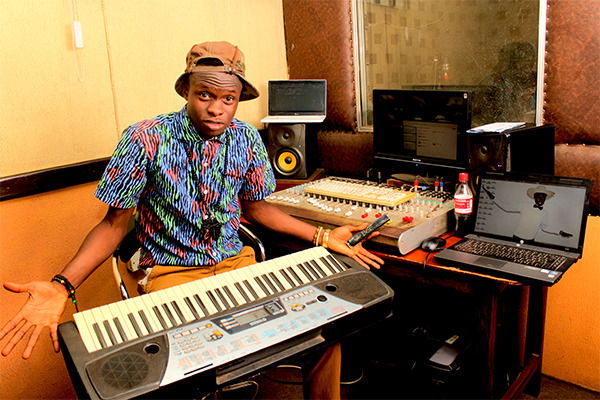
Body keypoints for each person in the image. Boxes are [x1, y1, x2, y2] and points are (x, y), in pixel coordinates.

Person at [0, 41, 384, 399]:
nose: (217, 108)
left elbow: (258, 209)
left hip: (236, 265)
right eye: (205, 95)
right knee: (188, 366)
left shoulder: (247, 139)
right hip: (172, 273)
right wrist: (61, 285)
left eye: (228, 99)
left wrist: (323, 236)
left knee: (324, 327)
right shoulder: (145, 139)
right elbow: (113, 225)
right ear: (187, 90)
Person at [482, 184, 573, 243]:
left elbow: (545, 227)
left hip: (530, 241)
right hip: (517, 239)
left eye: (543, 198)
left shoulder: (544, 213)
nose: (540, 199)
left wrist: (560, 232)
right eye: (538, 197)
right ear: (534, 197)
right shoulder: (525, 206)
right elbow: (507, 208)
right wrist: (494, 198)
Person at [478, 41, 537, 124]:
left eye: (530, 63)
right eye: (522, 63)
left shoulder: (533, 81)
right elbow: (495, 119)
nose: (527, 69)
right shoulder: (492, 84)